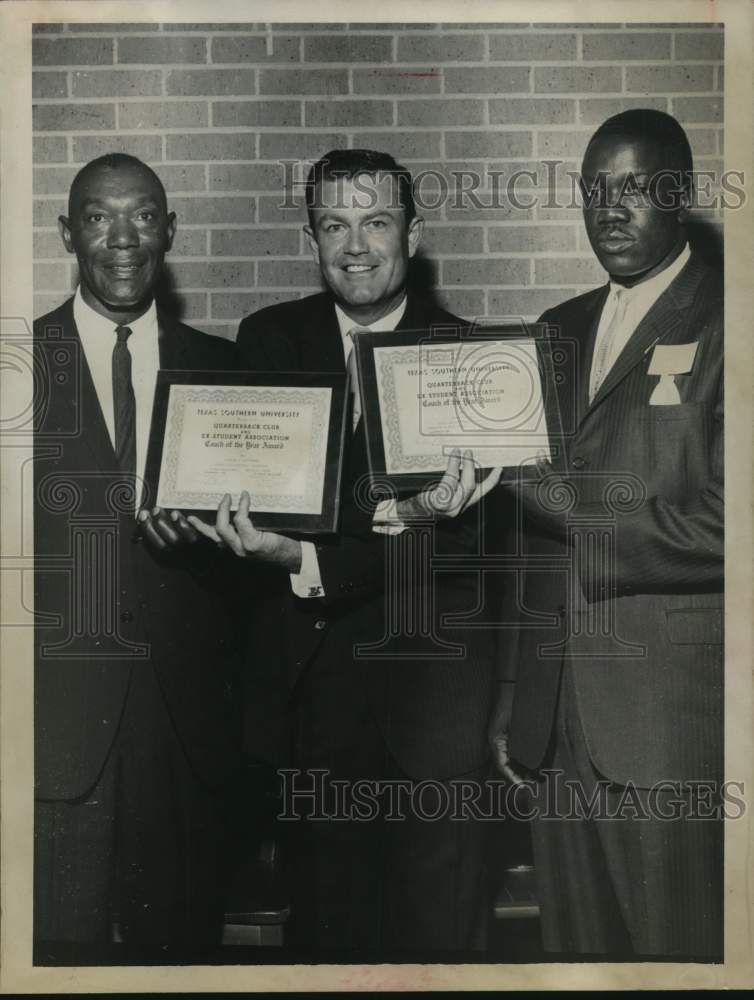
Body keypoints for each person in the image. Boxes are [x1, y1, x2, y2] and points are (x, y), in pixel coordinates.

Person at [192, 149, 500, 955]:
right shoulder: (267, 339)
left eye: (376, 222)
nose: (355, 245)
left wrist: (304, 561)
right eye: (334, 224)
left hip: (426, 719)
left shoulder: (467, 358)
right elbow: (242, 490)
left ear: (414, 234)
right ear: (312, 237)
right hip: (307, 719)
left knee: (438, 953)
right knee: (327, 951)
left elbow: (457, 545)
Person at [490, 109, 724, 959]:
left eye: (635, 189)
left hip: (671, 727)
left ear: (683, 195)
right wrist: (520, 699)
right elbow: (528, 541)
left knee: (684, 958)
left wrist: (567, 502)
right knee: (577, 965)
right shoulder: (556, 330)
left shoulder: (729, 316)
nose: (611, 211)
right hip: (558, 730)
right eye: (595, 192)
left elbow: (729, 524)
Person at [33, 153, 242, 961]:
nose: (123, 239)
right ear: (67, 233)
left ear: (171, 231)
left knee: (180, 957)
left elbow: (261, 568)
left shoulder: (226, 372)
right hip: (54, 732)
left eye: (144, 216)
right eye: (97, 217)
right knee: (54, 959)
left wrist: (218, 548)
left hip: (185, 735)